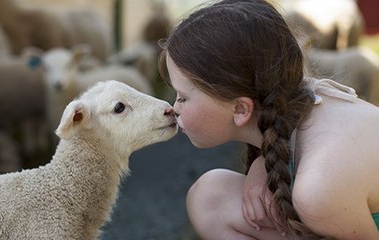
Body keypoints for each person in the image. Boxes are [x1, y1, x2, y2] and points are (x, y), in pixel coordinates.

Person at [158, 0, 379, 239]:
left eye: (183, 97)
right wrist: (262, 164)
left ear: (241, 110)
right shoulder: (295, 98)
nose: (174, 108)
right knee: (210, 198)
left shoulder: (317, 190)